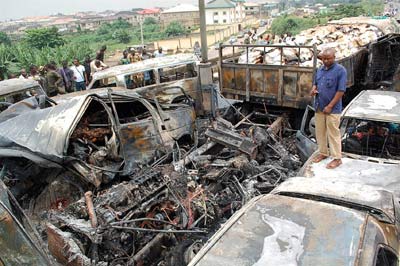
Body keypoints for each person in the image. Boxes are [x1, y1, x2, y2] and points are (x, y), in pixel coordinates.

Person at [310, 48, 347, 169]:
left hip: (333, 109)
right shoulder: (320, 69)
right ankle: (323, 153)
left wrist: (330, 106)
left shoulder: (340, 71)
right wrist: (314, 89)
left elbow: (341, 91)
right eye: (324, 59)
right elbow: (315, 82)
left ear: (334, 57)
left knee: (333, 133)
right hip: (319, 106)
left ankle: (337, 158)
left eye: (328, 59)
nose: (325, 61)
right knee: (320, 132)